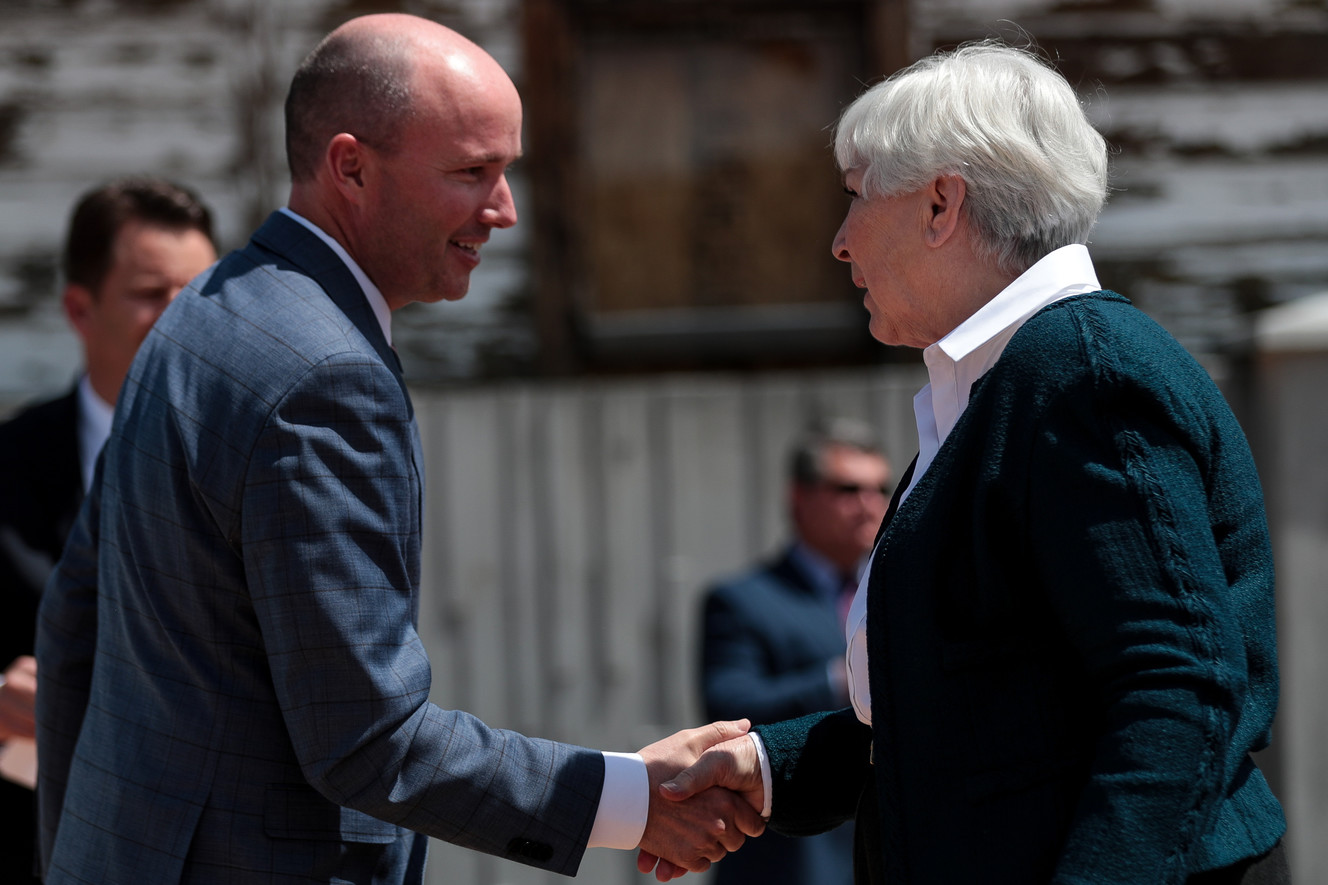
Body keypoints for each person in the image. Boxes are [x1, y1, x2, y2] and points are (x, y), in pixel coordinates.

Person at [35, 15, 763, 885]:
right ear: (351, 167)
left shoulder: (200, 314)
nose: (504, 209)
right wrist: (629, 798)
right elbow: (367, 740)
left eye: (507, 170)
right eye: (471, 172)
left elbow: (74, 621)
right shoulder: (324, 375)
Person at [650, 41, 1290, 884]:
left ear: (941, 203)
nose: (840, 243)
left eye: (854, 199)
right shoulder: (1008, 379)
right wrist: (769, 765)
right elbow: (987, 708)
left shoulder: (1082, 371)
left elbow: (1176, 691)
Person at [0, 177, 217, 883]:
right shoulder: (8, 470)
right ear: (78, 309)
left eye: (204, 291)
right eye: (154, 294)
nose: (184, 317)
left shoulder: (265, 465)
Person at [700, 420, 890, 885]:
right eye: (848, 489)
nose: (870, 505)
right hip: (793, 860)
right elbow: (729, 710)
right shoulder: (743, 600)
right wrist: (843, 680)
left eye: (881, 488)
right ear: (799, 499)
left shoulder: (903, 592)